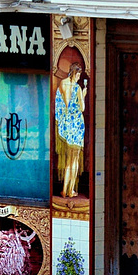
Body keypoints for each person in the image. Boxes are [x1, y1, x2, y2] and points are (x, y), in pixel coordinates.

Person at [55, 62, 87, 198]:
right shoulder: (78, 88)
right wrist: (83, 95)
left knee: (69, 161)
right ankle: (71, 190)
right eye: (78, 74)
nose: (79, 77)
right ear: (75, 72)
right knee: (75, 161)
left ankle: (65, 190)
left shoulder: (62, 83)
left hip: (67, 127)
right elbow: (82, 108)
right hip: (77, 126)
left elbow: (64, 104)